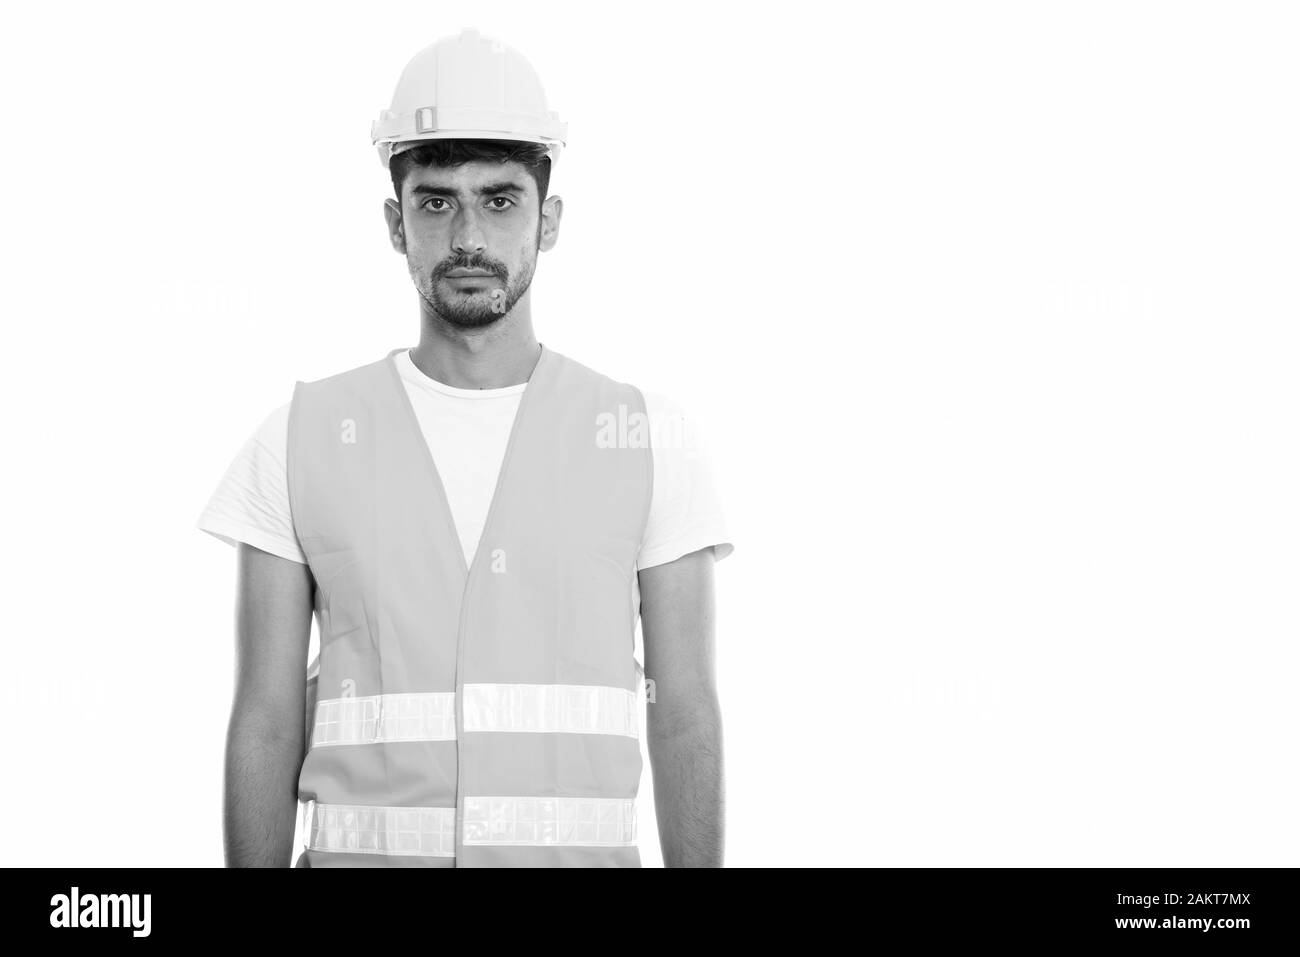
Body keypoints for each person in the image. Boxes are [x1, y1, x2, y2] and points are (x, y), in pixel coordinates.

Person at [197, 28, 731, 867]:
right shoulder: (297, 440)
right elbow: (264, 712)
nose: (468, 235)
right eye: (436, 200)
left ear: (548, 220)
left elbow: (686, 708)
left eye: (501, 198)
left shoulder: (647, 440)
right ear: (395, 222)